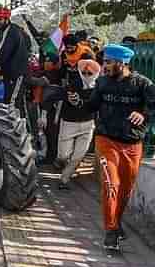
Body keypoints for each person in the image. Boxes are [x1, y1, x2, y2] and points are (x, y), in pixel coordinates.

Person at [72, 44, 155, 250]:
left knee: (125, 191)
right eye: (105, 62)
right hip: (106, 140)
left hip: (133, 145)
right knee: (111, 184)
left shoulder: (143, 84)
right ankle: (110, 231)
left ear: (122, 63)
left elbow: (153, 106)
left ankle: (116, 224)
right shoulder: (102, 83)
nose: (104, 66)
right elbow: (91, 106)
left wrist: (143, 114)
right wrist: (77, 101)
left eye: (108, 62)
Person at [58, 59, 100, 189]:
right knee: (63, 155)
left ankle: (64, 179)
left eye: (89, 73)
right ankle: (63, 166)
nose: (86, 75)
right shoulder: (73, 84)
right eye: (84, 72)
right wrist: (71, 99)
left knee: (79, 155)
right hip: (69, 123)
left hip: (88, 124)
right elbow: (66, 96)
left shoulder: (99, 87)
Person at [0, 7, 30, 106]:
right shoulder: (15, 29)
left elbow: (2, 53)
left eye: (0, 20)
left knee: (11, 103)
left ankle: (15, 121)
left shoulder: (10, 32)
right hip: (14, 73)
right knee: (13, 102)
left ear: (6, 19)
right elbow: (28, 43)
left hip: (16, 74)